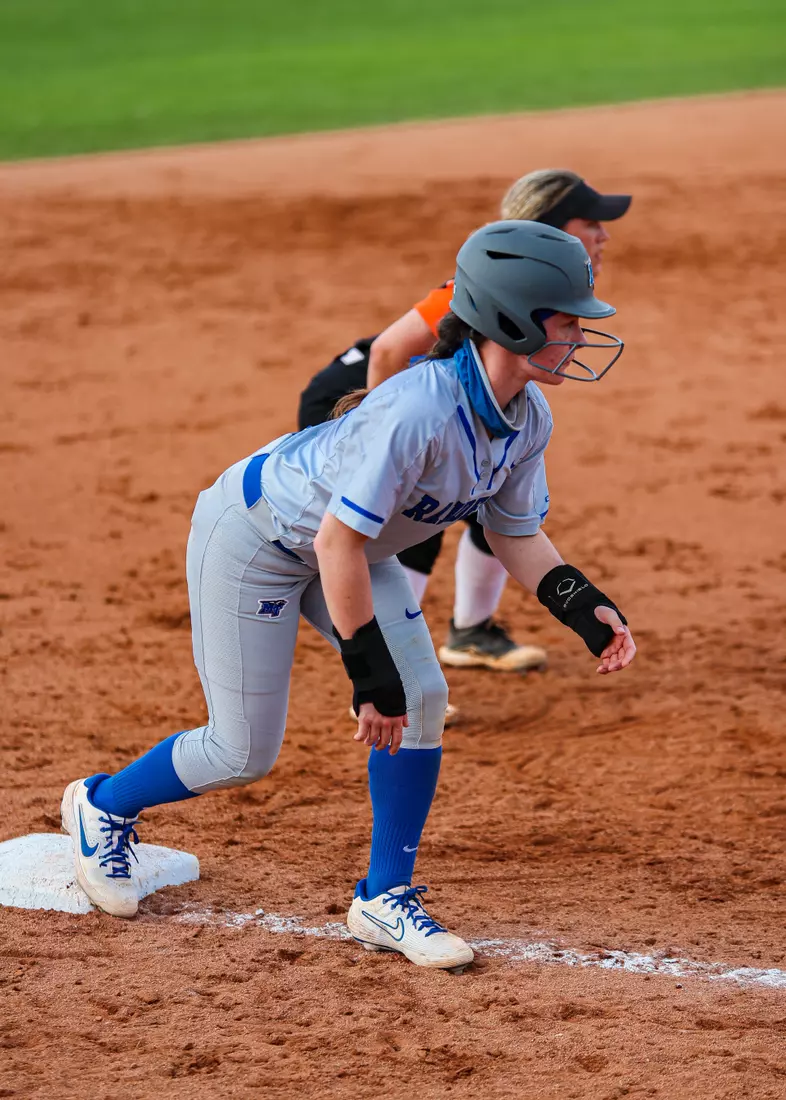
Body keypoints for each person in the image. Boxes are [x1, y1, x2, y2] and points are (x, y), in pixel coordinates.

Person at [61, 220, 636, 971]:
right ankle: (103, 805)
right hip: (259, 541)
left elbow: (516, 532)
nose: (579, 336)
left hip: (354, 554)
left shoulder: (526, 416)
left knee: (423, 696)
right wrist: (369, 677)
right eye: (566, 320)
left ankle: (383, 897)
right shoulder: (418, 412)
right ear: (511, 320)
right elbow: (333, 542)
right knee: (241, 750)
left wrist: (580, 603)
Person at [298, 170, 631, 676]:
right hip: (360, 395)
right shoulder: (496, 287)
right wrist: (376, 422)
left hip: (438, 405)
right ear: (550, 228)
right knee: (417, 514)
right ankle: (387, 663)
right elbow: (389, 349)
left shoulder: (549, 290)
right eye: (590, 223)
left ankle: (471, 632)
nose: (603, 235)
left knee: (492, 491)